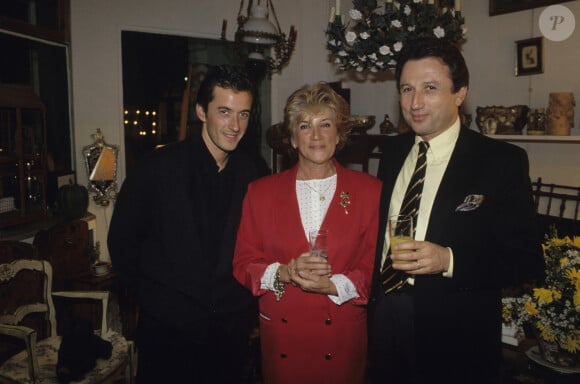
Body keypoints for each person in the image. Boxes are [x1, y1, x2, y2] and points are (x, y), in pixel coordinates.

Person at [368, 38, 545, 384]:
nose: (415, 103)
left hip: (456, 333)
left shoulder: (501, 161)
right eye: (407, 89)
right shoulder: (392, 152)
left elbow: (526, 261)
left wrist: (448, 260)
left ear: (460, 93)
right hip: (385, 318)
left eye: (430, 88)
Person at [108, 64, 260, 383]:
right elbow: (122, 245)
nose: (235, 125)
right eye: (225, 112)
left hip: (229, 338)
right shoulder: (155, 169)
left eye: (244, 114)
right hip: (167, 336)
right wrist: (157, 303)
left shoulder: (254, 172)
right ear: (201, 112)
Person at [233, 82, 381, 384]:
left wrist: (330, 285)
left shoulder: (370, 191)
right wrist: (286, 272)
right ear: (292, 138)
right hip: (284, 343)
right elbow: (243, 263)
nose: (316, 135)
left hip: (341, 341)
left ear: (339, 134)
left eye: (325, 124)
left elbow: (374, 267)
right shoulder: (260, 193)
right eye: (305, 125)